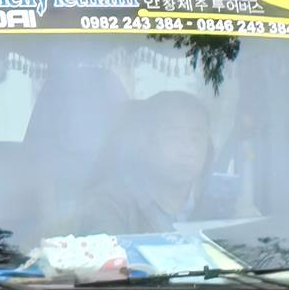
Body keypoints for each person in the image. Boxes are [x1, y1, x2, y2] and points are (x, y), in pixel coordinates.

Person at [76, 89, 214, 236]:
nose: (187, 149)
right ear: (145, 142)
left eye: (196, 138)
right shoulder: (108, 203)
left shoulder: (220, 200)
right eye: (174, 137)